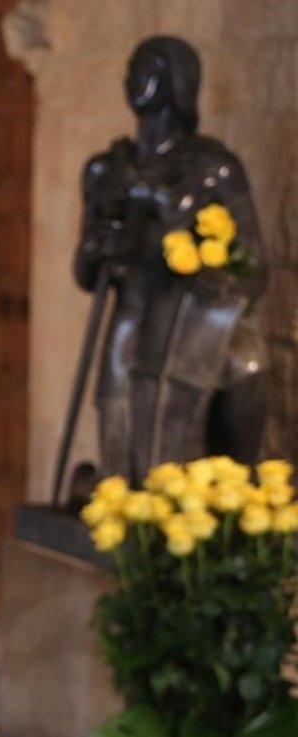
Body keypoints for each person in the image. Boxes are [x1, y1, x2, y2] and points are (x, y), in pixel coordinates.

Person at [73, 35, 268, 487]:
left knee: (246, 368)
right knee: (129, 477)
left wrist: (204, 265)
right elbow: (85, 274)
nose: (133, 79)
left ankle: (232, 500)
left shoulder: (212, 168)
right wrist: (100, 247)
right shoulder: (106, 169)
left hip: (191, 324)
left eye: (148, 68)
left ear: (178, 82)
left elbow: (254, 267)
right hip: (131, 322)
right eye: (132, 68)